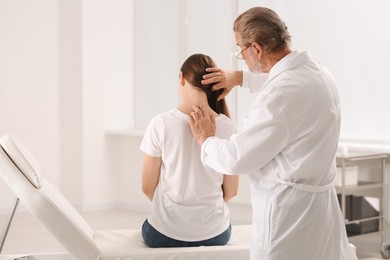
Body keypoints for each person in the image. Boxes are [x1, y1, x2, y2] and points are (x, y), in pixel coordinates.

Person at [188, 7, 358, 260]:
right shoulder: (319, 73)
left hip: (288, 217)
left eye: (240, 51)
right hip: (320, 211)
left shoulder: (279, 97)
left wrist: (206, 139)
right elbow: (288, 86)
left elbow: (236, 158)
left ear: (256, 48)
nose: (241, 58)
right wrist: (240, 78)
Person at [140, 53, 239, 248]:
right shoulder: (229, 128)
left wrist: (173, 213)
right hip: (215, 233)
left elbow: (147, 187)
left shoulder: (160, 124)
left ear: (182, 78)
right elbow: (232, 191)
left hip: (163, 233)